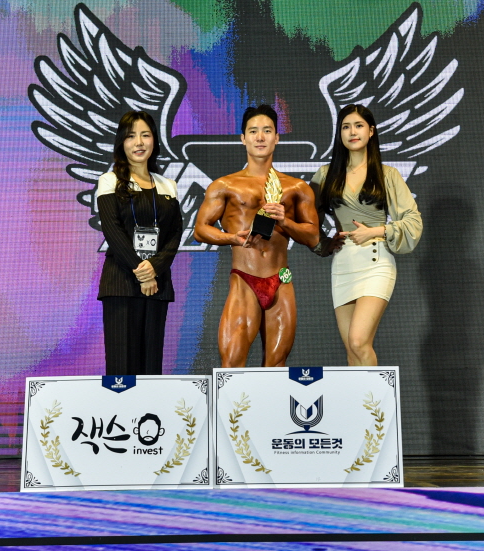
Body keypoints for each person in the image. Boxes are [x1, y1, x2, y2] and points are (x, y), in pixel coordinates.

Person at [193, 105, 320, 368]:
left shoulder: (297, 187)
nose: (260, 137)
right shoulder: (224, 185)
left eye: (267, 131)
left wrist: (285, 221)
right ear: (243, 138)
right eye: (253, 131)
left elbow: (313, 237)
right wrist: (232, 238)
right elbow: (200, 229)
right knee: (232, 363)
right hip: (244, 278)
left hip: (281, 279)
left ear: (277, 137)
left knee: (276, 365)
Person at [310, 104, 421, 367]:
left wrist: (378, 230)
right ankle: (362, 396)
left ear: (371, 131)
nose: (352, 132)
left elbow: (413, 221)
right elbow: (307, 218)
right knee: (352, 350)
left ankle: (377, 396)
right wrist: (323, 243)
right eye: (346, 127)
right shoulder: (325, 174)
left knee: (359, 341)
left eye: (358, 126)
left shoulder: (387, 174)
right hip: (343, 264)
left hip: (376, 261)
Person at [94, 111, 182, 375]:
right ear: (121, 142)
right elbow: (113, 233)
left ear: (154, 140)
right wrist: (142, 272)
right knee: (122, 370)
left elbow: (174, 235)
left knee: (151, 368)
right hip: (121, 282)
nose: (139, 142)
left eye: (145, 135)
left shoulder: (168, 185)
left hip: (157, 284)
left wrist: (154, 269)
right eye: (131, 136)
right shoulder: (110, 181)